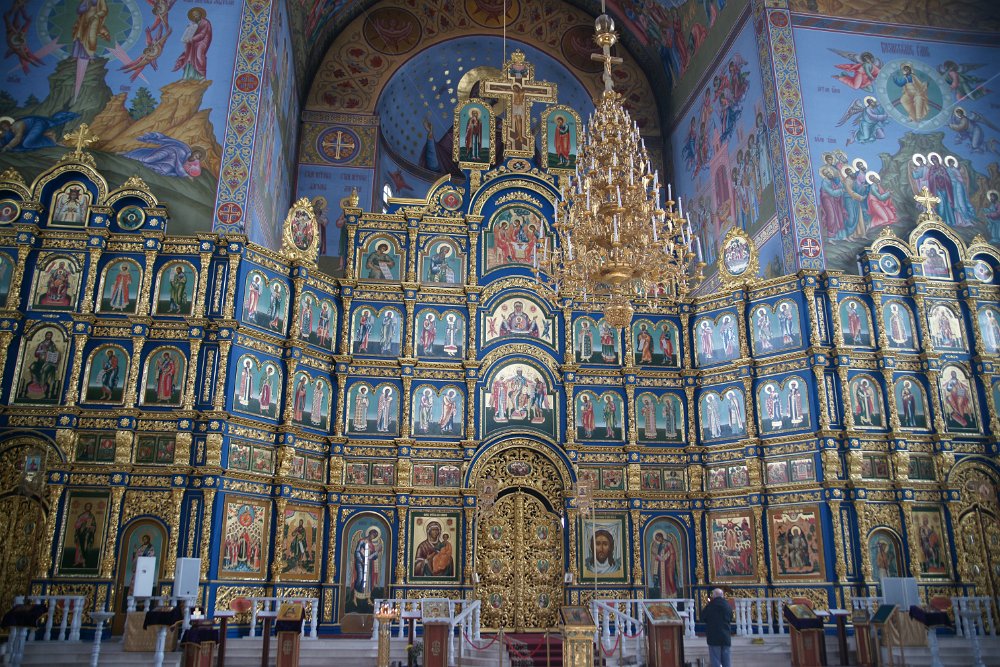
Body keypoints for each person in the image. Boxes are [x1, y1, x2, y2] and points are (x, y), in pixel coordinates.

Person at [702, 588, 733, 667]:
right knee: (727, 661)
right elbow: (731, 618)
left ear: (714, 595)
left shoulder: (710, 605)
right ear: (722, 595)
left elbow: (703, 617)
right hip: (725, 636)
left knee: (715, 660)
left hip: (714, 636)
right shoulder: (727, 605)